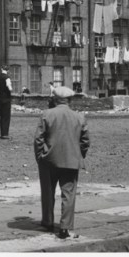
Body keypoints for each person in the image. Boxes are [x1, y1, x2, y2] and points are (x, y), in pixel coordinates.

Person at [34, 85, 90, 240]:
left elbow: (38, 139)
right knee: (69, 195)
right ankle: (65, 227)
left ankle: (48, 222)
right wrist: (79, 154)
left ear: (55, 99)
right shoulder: (79, 117)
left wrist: (40, 157)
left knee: (47, 192)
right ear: (70, 100)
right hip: (71, 160)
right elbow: (85, 141)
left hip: (49, 160)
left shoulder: (47, 114)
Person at [0, 65, 12, 139]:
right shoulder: (7, 78)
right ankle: (5, 134)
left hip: (0, 98)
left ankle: (2, 133)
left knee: (1, 116)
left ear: (1, 69)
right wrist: (10, 90)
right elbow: (9, 87)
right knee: (6, 116)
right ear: (7, 70)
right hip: (6, 99)